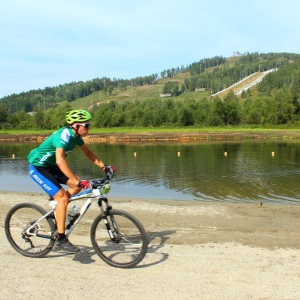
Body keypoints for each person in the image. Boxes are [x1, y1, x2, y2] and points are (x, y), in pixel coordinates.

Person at [27, 109, 115, 254]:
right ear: (75, 125)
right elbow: (60, 160)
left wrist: (104, 166)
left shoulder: (76, 136)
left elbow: (88, 152)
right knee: (64, 196)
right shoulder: (64, 135)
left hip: (52, 167)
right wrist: (76, 180)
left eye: (88, 125)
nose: (88, 128)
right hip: (39, 168)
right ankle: (61, 239)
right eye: (86, 125)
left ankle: (58, 206)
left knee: (76, 187)